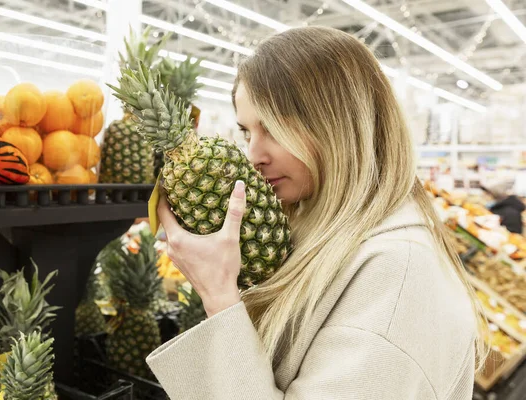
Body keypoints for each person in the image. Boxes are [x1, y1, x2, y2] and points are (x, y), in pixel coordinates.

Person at [146, 26, 486, 399]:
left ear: (340, 127)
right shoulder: (327, 235)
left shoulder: (399, 272)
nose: (254, 155)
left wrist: (218, 294)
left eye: (273, 129)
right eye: (246, 132)